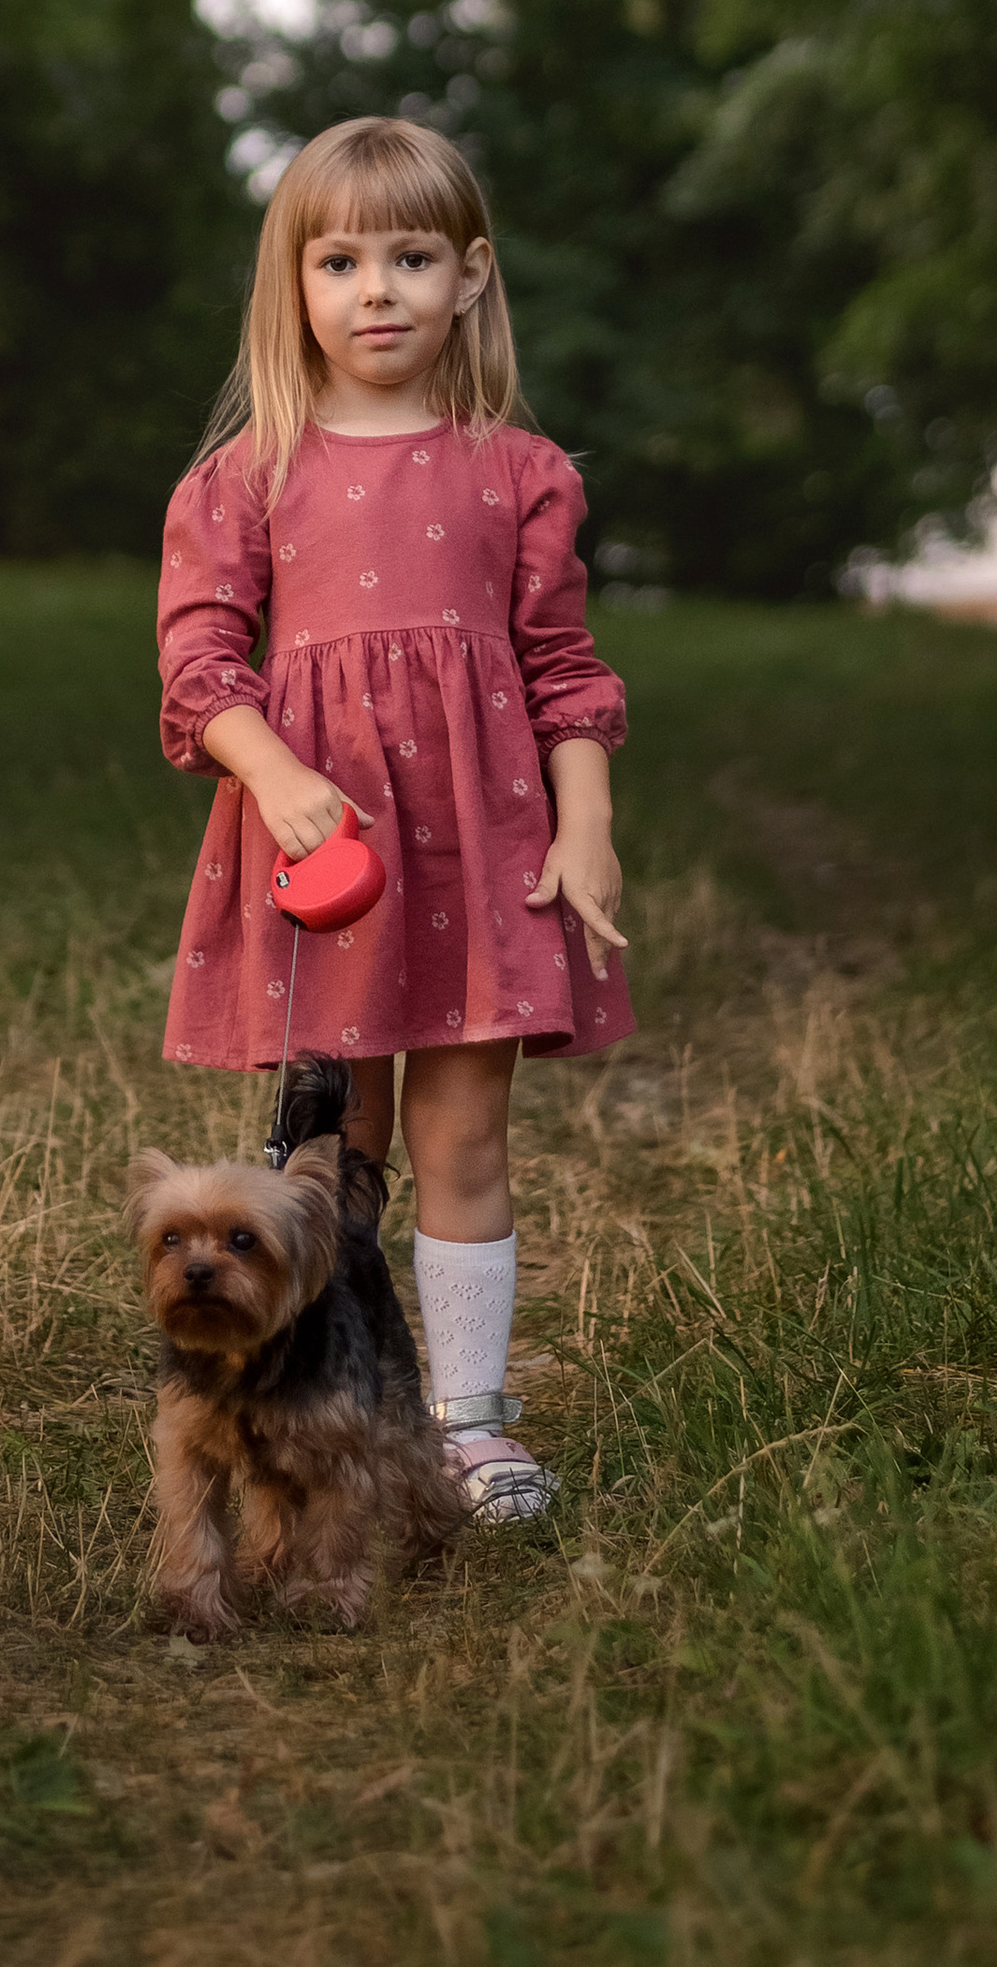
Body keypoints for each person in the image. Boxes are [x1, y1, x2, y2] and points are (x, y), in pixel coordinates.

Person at [156, 114, 633, 1524]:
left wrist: (585, 821)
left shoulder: (520, 470)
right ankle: (319, 1398)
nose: (378, 289)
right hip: (332, 858)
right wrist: (273, 773)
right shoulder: (248, 474)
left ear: (472, 273)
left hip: (481, 849)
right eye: (342, 258)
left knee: (465, 1136)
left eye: (413, 256)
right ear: (291, 284)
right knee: (332, 1141)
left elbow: (565, 669)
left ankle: (470, 1419)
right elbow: (198, 667)